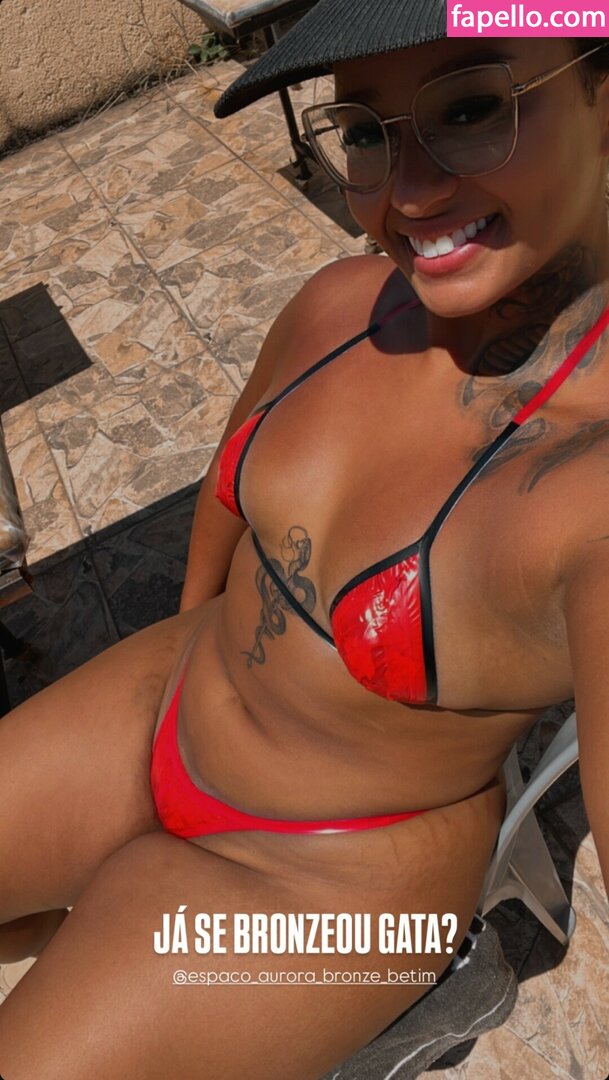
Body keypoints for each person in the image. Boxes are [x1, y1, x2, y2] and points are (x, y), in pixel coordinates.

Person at [1, 1, 609, 1075]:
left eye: (471, 109)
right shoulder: (340, 304)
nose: (406, 193)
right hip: (167, 709)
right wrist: (191, 633)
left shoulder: (589, 490)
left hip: (336, 884)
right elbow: (225, 497)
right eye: (367, 131)